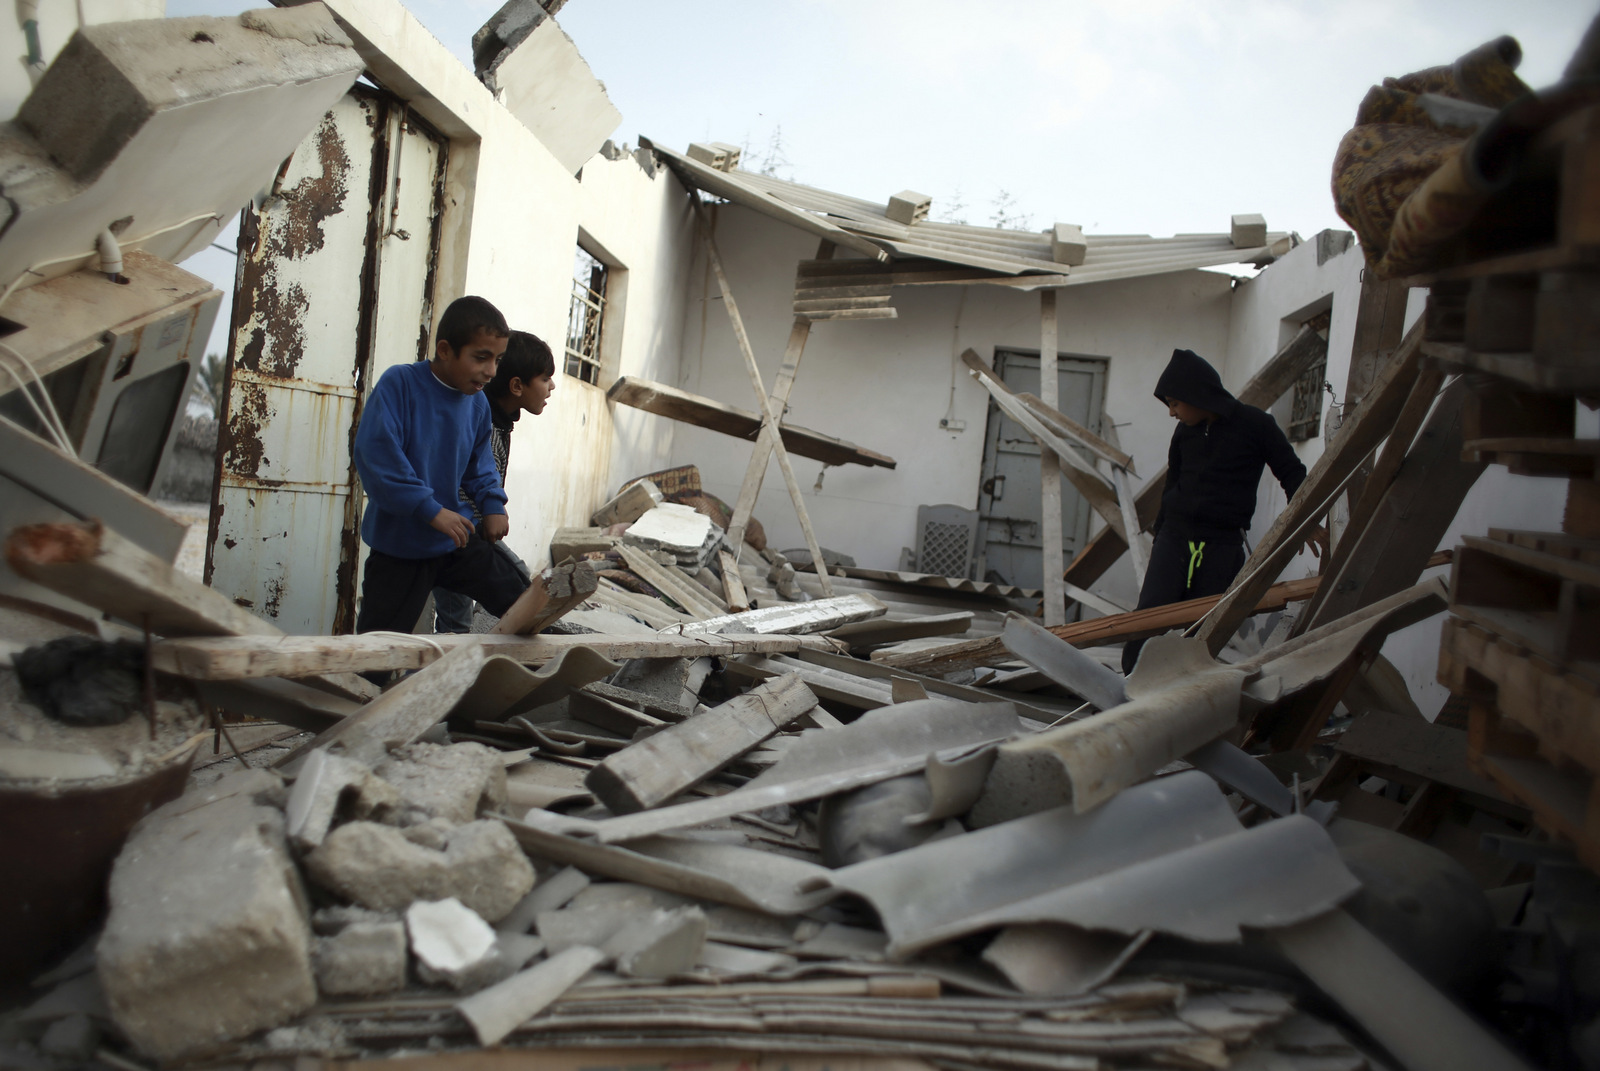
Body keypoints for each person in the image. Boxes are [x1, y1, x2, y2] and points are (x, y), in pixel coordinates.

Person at [351, 295, 529, 643]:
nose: (491, 371)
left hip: (453, 541)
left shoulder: (477, 403)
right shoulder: (400, 385)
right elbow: (378, 457)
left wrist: (493, 504)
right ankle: (365, 695)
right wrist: (430, 510)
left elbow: (480, 465)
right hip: (400, 547)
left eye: (497, 360)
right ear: (446, 350)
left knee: (524, 600)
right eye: (481, 358)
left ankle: (543, 675)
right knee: (375, 653)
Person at [1121, 348, 1309, 675]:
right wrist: (1161, 534)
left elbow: (1292, 473)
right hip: (1175, 539)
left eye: (1175, 403)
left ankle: (1184, 701)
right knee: (1149, 617)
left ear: (1197, 395)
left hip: (1221, 546)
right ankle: (1129, 691)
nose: (1171, 413)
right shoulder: (1184, 432)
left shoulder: (1256, 426)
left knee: (1203, 630)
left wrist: (1309, 519)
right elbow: (1173, 484)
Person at [431, 330, 556, 632]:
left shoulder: (498, 420)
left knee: (460, 616)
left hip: (468, 532)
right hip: (459, 533)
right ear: (516, 386)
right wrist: (484, 514)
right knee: (517, 591)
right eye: (544, 378)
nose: (551, 387)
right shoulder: (480, 419)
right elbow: (459, 480)